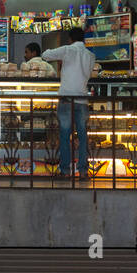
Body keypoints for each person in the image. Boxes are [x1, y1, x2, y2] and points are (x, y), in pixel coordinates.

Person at [42, 26, 95, 179]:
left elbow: (46, 55)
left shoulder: (67, 50)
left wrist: (60, 58)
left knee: (65, 136)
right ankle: (83, 171)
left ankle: (65, 171)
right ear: (83, 39)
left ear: (70, 39)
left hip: (66, 99)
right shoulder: (90, 55)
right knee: (83, 137)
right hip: (82, 100)